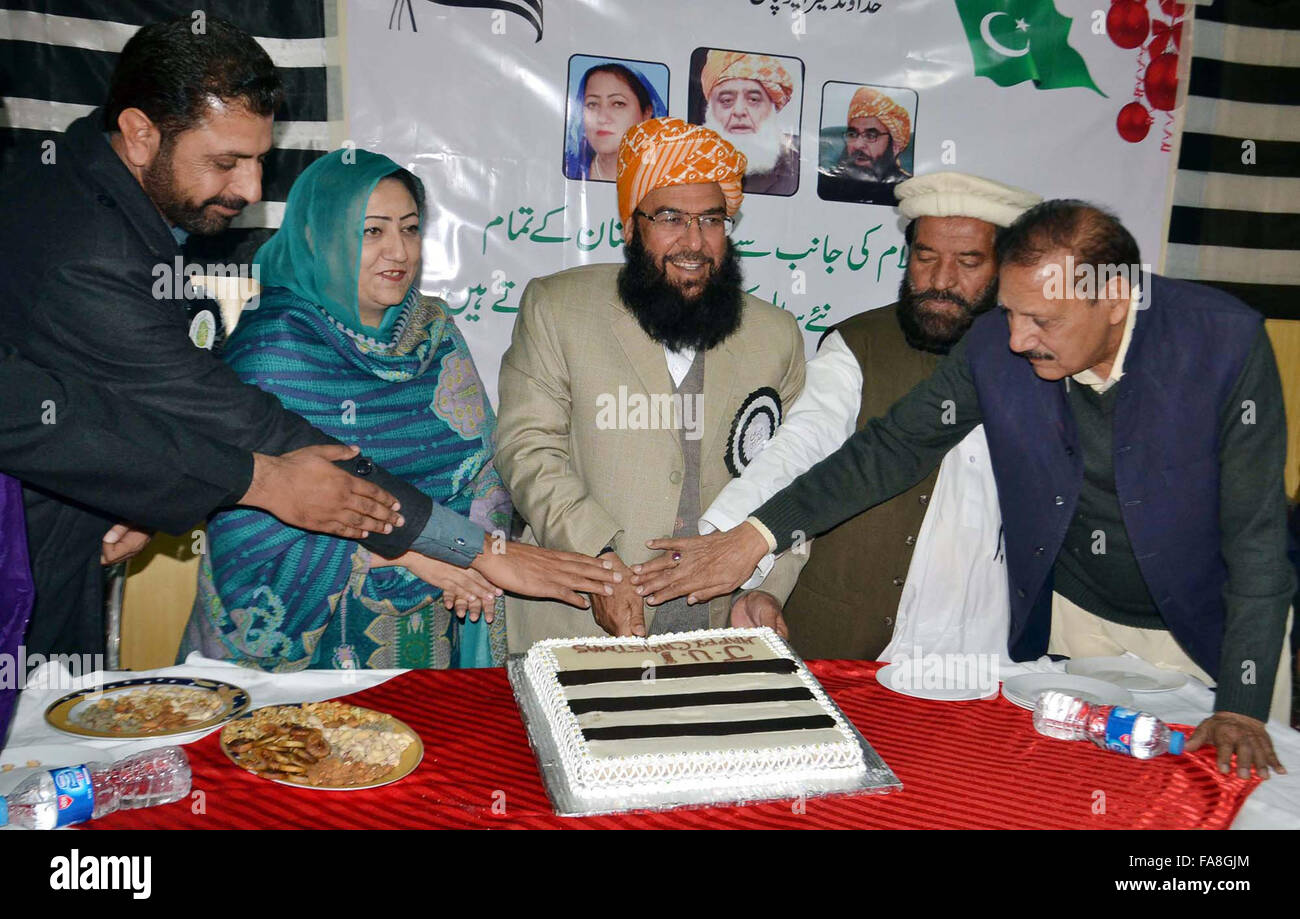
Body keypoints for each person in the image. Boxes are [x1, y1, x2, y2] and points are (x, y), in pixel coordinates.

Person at [0, 17, 616, 657]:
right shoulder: (86, 249)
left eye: (259, 160)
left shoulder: (88, 202)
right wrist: (470, 551)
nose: (250, 189)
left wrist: (119, 498)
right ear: (137, 133)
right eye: (226, 162)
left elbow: (97, 409)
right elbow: (247, 433)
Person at [634, 201, 1293, 778]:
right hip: (1080, 623)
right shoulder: (996, 343)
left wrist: (1241, 701)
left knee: (1227, 799)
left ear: (1116, 300)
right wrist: (756, 534)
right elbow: (890, 448)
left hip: (1215, 627)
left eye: (1042, 320)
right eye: (1009, 312)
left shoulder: (1221, 347)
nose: (1015, 338)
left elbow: (1256, 540)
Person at [183, 150, 521, 670]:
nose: (399, 251)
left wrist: (480, 555)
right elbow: (254, 511)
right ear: (318, 237)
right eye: (372, 232)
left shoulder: (435, 332)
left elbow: (484, 465)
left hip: (440, 620)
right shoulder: (273, 346)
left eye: (410, 230)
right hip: (314, 651)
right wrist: (416, 555)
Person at [697, 172, 1040, 660]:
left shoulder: (1040, 360)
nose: (941, 281)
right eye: (925, 258)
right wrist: (729, 540)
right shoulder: (860, 344)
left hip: (984, 651)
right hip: (860, 651)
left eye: (968, 262)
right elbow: (800, 448)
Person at [496, 117, 808, 650]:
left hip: (720, 639)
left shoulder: (775, 335)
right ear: (630, 226)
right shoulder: (558, 307)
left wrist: (765, 588)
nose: (694, 241)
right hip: (575, 628)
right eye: (669, 217)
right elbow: (528, 449)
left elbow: (798, 474)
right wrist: (598, 562)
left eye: (712, 219)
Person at [0, 344, 403, 744]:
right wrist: (409, 538)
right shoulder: (275, 343)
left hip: (56, 553)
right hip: (33, 538)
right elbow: (31, 406)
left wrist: (133, 495)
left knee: (53, 743)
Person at [698, 50, 799, 195]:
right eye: (726, 100)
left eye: (753, 100)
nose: (739, 111)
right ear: (710, 109)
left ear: (772, 107)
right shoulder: (686, 163)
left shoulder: (797, 168)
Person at [818, 86, 913, 206]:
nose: (858, 145)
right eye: (852, 134)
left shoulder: (909, 193)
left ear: (894, 146)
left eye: (871, 136)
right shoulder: (827, 184)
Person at [567, 62, 660, 182]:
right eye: (592, 104)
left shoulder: (667, 179)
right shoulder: (568, 171)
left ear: (647, 113)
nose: (602, 118)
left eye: (618, 104)